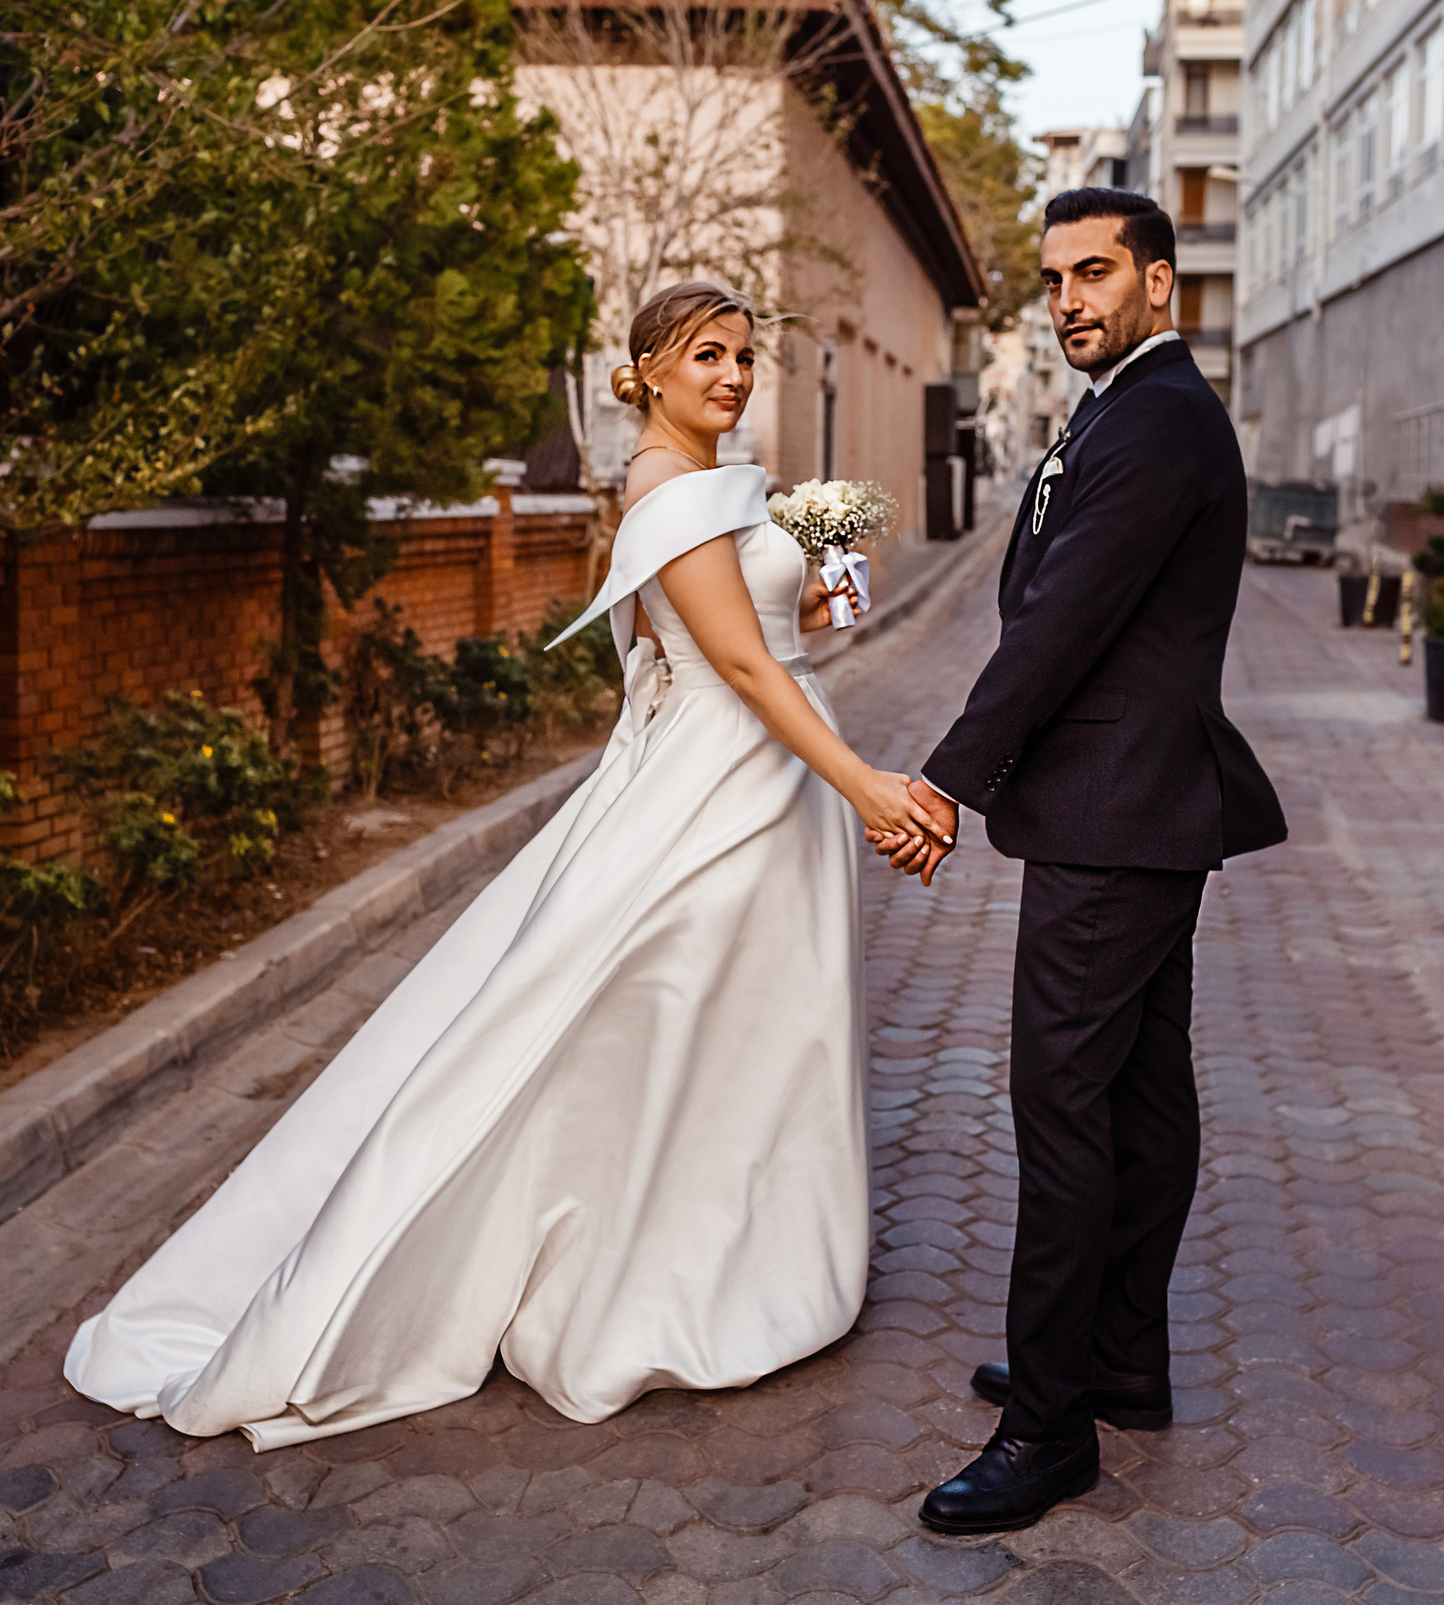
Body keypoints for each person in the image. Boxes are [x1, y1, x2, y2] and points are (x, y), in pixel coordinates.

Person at [62, 279, 947, 1448]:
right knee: (670, 1017)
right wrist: (869, 784)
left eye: (741, 357)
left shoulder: (714, 488)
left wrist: (824, 575)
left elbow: (772, 637)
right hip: (722, 789)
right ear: (646, 372)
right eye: (704, 357)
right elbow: (736, 666)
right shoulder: (664, 496)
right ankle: (649, 1278)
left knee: (755, 1027)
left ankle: (742, 1253)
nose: (730, 376)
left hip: (770, 784)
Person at [874, 189, 1289, 1535]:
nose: (1068, 299)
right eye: (1054, 279)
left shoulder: (1160, 419)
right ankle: (1119, 1359)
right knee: (1138, 1101)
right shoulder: (1125, 407)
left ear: (1162, 283)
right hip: (1134, 813)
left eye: (1096, 273)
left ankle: (1048, 1424)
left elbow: (1053, 629)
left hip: (1116, 821)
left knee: (1061, 1112)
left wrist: (942, 781)